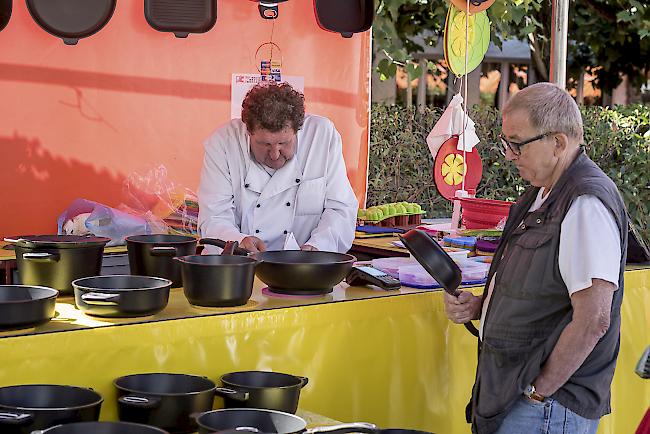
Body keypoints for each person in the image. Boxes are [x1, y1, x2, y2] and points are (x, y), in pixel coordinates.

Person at [443, 83, 628, 434]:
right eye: (506, 143)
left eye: (517, 144)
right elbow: (544, 289)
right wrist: (481, 305)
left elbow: (594, 320)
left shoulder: (585, 203)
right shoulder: (543, 194)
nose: (509, 155)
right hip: (518, 394)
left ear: (558, 143)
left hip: (547, 406)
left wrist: (538, 392)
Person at [198, 82, 358, 254]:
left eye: (283, 143)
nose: (274, 154)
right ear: (248, 131)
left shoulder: (322, 136)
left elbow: (340, 209)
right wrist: (237, 242)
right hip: (241, 266)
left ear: (298, 129)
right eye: (264, 144)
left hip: (305, 267)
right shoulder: (223, 143)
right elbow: (214, 216)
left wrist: (319, 247)